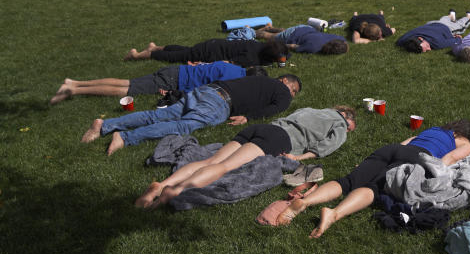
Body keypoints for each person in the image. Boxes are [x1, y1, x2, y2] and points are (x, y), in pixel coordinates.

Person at [260, 120, 470, 233]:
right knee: (375, 189)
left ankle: (306, 201)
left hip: (391, 149)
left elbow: (406, 143)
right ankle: (334, 214)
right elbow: (448, 160)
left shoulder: (433, 130)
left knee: (348, 181)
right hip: (417, 158)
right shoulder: (464, 142)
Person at [134, 106, 356, 208]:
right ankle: (174, 191)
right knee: (224, 167)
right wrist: (301, 156)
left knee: (210, 161)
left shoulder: (312, 109)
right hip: (279, 139)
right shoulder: (340, 124)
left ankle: (162, 184)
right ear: (346, 118)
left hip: (262, 129)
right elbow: (329, 145)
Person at [81, 74, 301, 155]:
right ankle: (125, 137)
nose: (291, 95)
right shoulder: (283, 92)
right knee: (181, 126)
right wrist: (248, 118)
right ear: (286, 82)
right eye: (294, 89)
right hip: (219, 104)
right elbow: (275, 109)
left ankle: (105, 124)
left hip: (207, 90)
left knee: (158, 115)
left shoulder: (259, 78)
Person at [49, 62, 262, 104]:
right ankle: (73, 90)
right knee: (125, 89)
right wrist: (175, 92)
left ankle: (75, 82)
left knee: (126, 82)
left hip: (176, 70)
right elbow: (202, 88)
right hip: (174, 80)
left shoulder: (231, 66)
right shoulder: (233, 78)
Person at [123, 38, 287, 67]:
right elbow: (226, 63)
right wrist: (204, 65)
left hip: (214, 43)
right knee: (178, 57)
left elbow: (282, 55)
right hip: (210, 53)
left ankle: (155, 47)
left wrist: (281, 61)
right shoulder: (251, 59)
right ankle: (137, 55)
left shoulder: (257, 45)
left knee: (186, 50)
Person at [396, 12, 470, 53]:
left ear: (420, 38)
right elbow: (399, 42)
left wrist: (457, 38)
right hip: (430, 24)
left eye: (427, 46)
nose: (429, 49)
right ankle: (451, 16)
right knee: (443, 20)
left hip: (445, 28)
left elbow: (457, 40)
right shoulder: (403, 40)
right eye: (427, 50)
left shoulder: (437, 43)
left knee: (460, 27)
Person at [256, 24, 348, 55]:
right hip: (293, 35)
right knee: (271, 37)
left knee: (284, 31)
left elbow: (345, 43)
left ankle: (269, 27)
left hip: (306, 28)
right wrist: (280, 45)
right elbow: (292, 46)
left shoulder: (337, 38)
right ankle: (250, 32)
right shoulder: (314, 48)